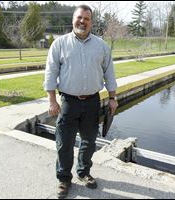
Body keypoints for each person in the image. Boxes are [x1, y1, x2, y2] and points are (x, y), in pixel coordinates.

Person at [44, 4, 118, 199]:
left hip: (93, 101)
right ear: (73, 19)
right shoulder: (59, 44)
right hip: (68, 101)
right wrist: (52, 100)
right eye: (79, 18)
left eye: (86, 19)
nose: (82, 22)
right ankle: (64, 178)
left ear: (91, 22)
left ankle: (84, 172)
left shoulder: (101, 45)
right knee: (64, 143)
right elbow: (51, 73)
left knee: (89, 141)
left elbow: (109, 72)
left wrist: (112, 98)